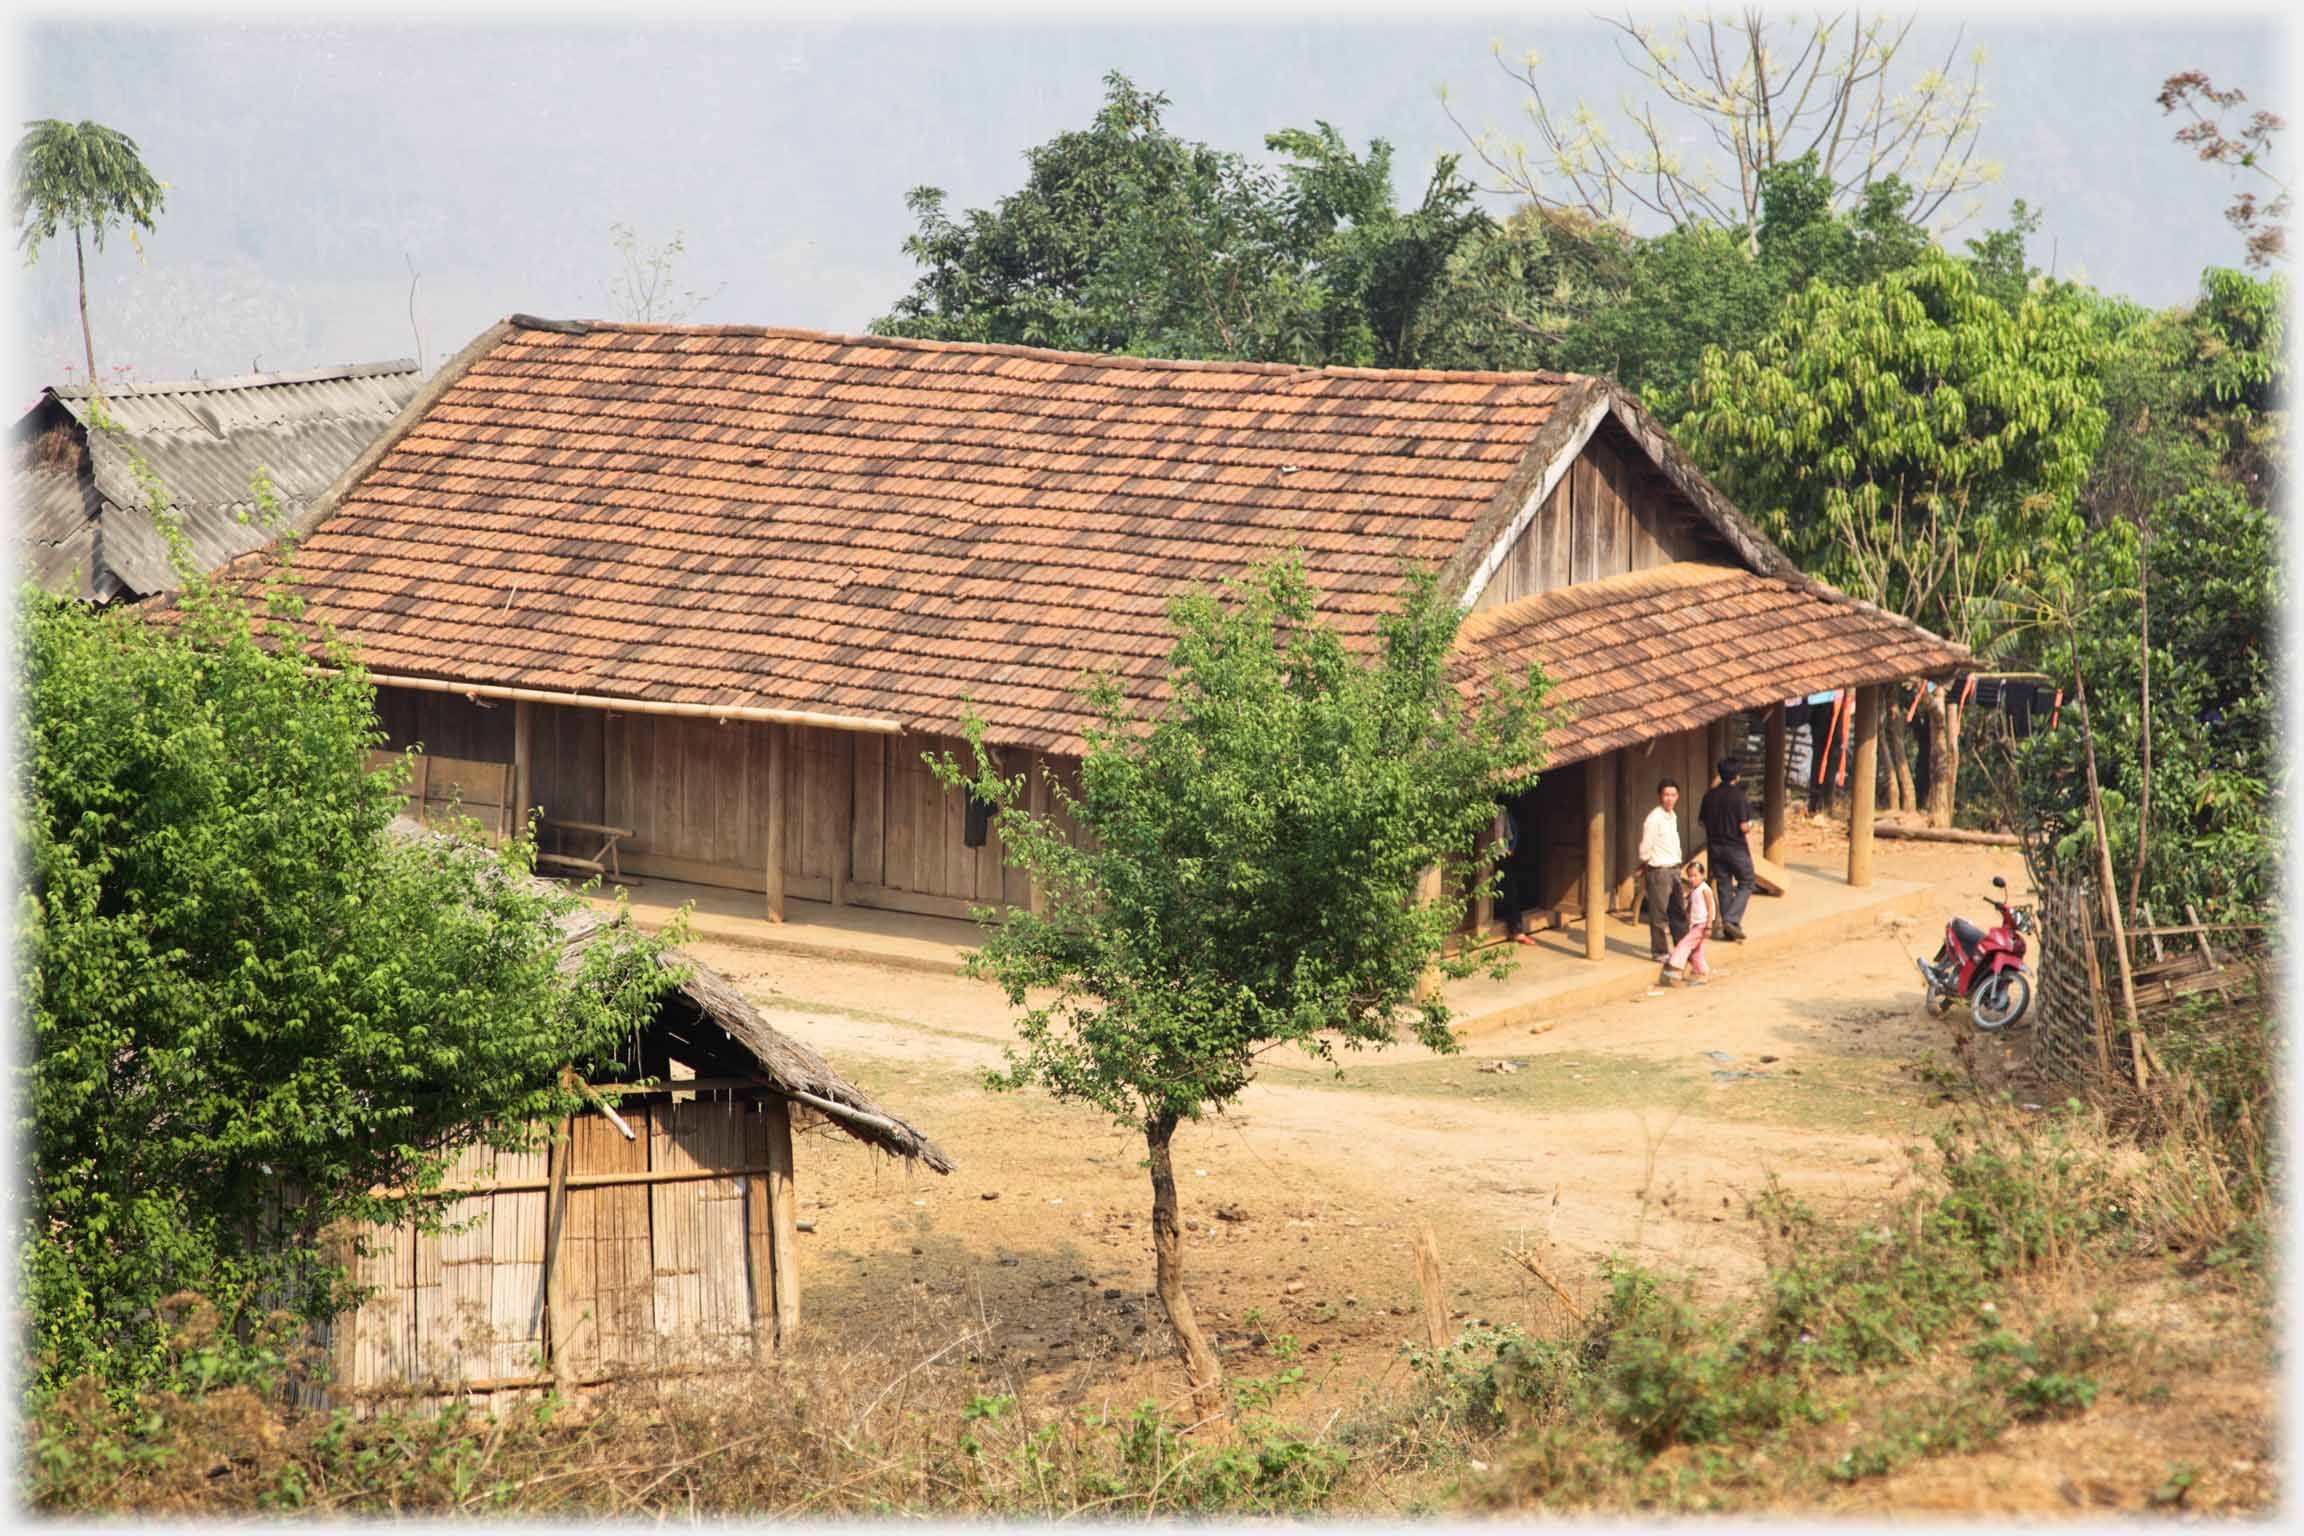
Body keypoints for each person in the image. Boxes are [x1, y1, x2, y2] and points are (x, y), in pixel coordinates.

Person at [1699, 757, 1758, 942]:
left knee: (1724, 885)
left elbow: (1701, 822)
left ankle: (1729, 928)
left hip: (1715, 847)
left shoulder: (1709, 795)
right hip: (1735, 847)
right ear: (1737, 776)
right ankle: (1732, 920)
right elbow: (1743, 827)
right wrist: (1751, 824)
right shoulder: (1739, 796)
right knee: (1747, 881)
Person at [1638, 777, 1687, 961]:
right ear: (1660, 796)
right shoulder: (1654, 818)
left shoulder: (1672, 816)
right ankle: (1659, 951)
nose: (1669, 798)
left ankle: (1683, 947)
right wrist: (1647, 863)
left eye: (1673, 795)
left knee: (1678, 912)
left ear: (1678, 796)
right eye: (1666, 795)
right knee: (1659, 915)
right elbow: (1645, 848)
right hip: (1659, 870)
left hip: (1674, 868)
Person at [1660, 852, 1716, 987]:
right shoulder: (1694, 891)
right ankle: (1703, 974)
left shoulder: (1705, 889)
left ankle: (1677, 970)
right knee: (1696, 952)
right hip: (1695, 924)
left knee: (1684, 944)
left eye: (1695, 876)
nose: (1692, 879)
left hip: (1702, 925)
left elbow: (1711, 908)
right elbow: (1691, 905)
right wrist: (1686, 914)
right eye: (1690, 876)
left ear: (1703, 875)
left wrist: (1709, 925)